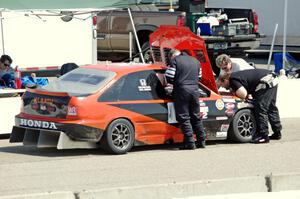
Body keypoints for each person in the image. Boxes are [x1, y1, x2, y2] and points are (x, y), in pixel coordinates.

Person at [218, 69, 282, 143]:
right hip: (272, 77)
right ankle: (277, 133)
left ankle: (264, 136)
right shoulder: (236, 76)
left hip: (266, 80)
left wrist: (234, 92)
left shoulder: (232, 79)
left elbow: (243, 94)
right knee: (271, 107)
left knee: (260, 107)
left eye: (222, 85)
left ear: (225, 80)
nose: (224, 88)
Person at [165, 49, 206, 150]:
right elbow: (199, 77)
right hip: (195, 91)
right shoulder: (196, 61)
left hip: (181, 91)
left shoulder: (175, 61)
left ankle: (190, 143)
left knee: (184, 117)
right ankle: (201, 141)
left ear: (173, 56)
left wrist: (175, 83)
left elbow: (169, 76)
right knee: (196, 116)